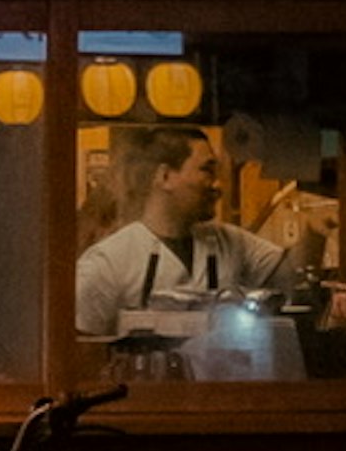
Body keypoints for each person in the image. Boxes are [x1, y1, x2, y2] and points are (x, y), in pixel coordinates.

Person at [75, 120, 307, 358]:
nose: (218, 185)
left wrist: (314, 229)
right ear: (165, 176)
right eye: (207, 170)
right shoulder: (107, 262)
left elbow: (291, 279)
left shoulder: (230, 241)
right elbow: (80, 354)